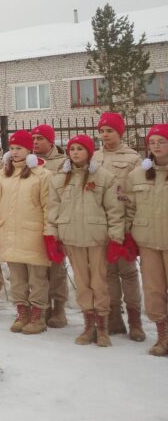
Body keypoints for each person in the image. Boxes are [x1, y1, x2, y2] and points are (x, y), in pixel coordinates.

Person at [45, 134, 123, 347]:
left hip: (97, 238)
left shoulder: (104, 177)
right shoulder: (59, 178)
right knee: (82, 283)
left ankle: (103, 327)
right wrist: (52, 235)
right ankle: (89, 326)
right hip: (71, 237)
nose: (76, 152)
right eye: (72, 149)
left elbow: (114, 210)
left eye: (80, 148)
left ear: (89, 152)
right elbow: (53, 210)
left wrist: (116, 238)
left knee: (99, 282)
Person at [0, 130, 51, 334]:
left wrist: (49, 234)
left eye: (19, 148)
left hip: (34, 235)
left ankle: (37, 316)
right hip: (9, 234)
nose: (14, 152)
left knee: (37, 279)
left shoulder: (42, 175)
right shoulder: (1, 175)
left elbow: (49, 207)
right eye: (11, 148)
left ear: (29, 149)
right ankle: (22, 312)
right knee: (17, 278)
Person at [93, 112, 145, 341]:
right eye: (102, 131)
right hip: (100, 223)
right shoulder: (94, 157)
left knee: (128, 273)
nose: (105, 135)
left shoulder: (133, 158)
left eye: (109, 131)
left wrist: (131, 226)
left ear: (119, 132)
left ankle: (135, 321)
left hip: (123, 224)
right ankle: (115, 318)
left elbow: (135, 194)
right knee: (107, 273)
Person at [125, 124, 168, 356]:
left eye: (161, 141)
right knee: (153, 291)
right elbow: (130, 208)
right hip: (149, 242)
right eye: (152, 142)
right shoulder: (137, 175)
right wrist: (129, 235)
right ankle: (163, 337)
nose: (156, 146)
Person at [31, 123, 71, 328]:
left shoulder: (64, 163)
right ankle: (41, 306)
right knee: (38, 266)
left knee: (56, 267)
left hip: (56, 220)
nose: (35, 142)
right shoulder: (29, 162)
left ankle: (59, 308)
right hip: (34, 220)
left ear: (51, 141)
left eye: (40, 138)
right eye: (34, 139)